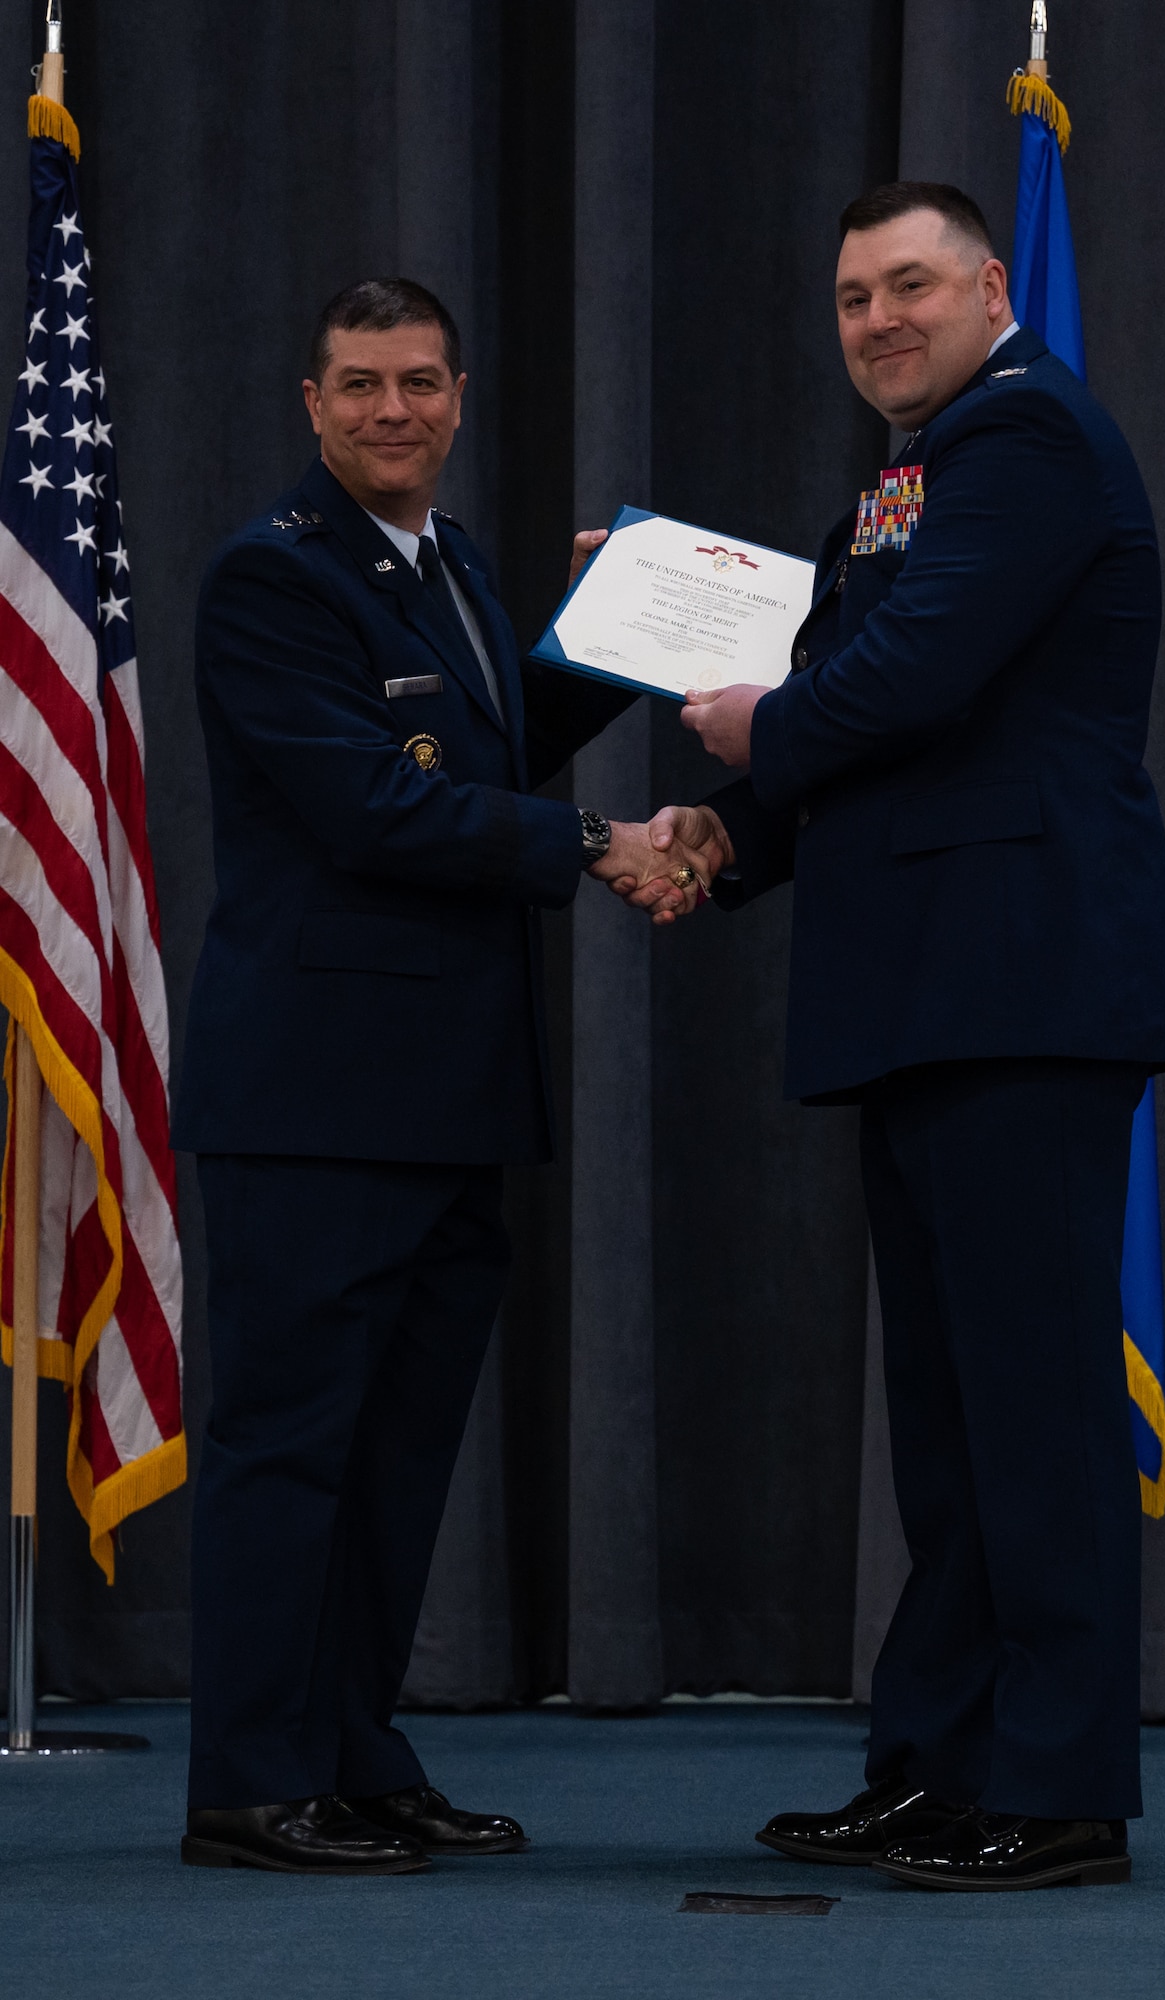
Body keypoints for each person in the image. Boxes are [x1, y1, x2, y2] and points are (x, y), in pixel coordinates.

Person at [625, 183, 1165, 1891]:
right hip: (932, 984)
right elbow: (870, 705)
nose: (877, 318)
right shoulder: (914, 469)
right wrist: (729, 836)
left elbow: (911, 680)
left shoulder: (1023, 442)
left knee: (1030, 1410)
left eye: (908, 286)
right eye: (852, 296)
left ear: (988, 286)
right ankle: (941, 1764)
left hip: (1021, 981)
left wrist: (749, 731)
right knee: (950, 1422)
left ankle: (1063, 1788)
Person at [173, 278, 705, 1875]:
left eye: (417, 383)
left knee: (395, 1452)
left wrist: (611, 637)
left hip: (449, 1093)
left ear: (459, 397)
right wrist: (609, 845)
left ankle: (354, 1752)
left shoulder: (452, 564)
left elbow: (484, 758)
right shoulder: (269, 579)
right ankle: (253, 1784)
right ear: (311, 403)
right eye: (359, 386)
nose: (391, 411)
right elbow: (371, 812)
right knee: (288, 1448)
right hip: (316, 1100)